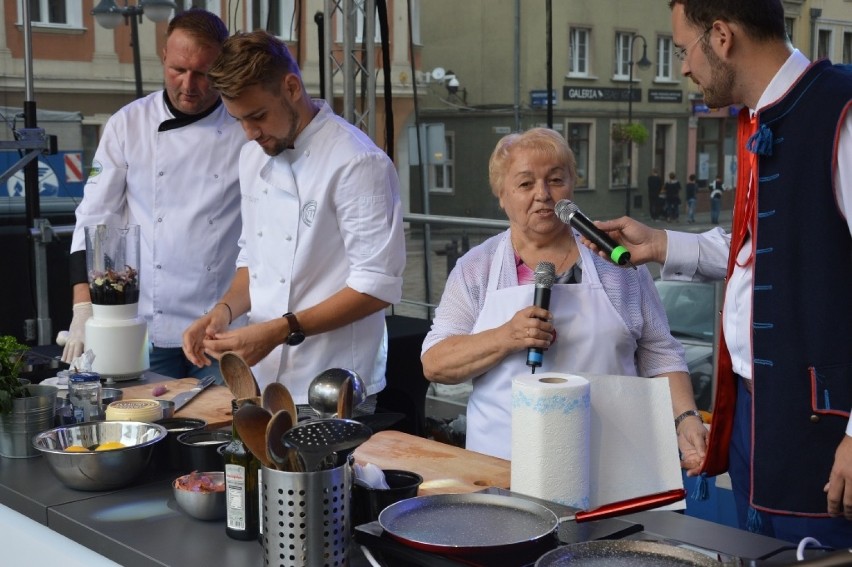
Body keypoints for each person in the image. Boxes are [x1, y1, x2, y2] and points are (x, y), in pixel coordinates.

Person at [585, 0, 852, 547]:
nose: (682, 66)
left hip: (824, 427)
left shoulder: (840, 110)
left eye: (684, 49)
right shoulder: (766, 116)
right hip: (765, 418)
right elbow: (766, 250)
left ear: (722, 37)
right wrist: (661, 244)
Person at [420, 128, 707, 469]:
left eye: (555, 179)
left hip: (613, 462)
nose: (542, 194)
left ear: (572, 185)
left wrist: (686, 417)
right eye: (525, 184)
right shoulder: (476, 268)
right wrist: (504, 337)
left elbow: (660, 352)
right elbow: (435, 363)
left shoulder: (616, 261)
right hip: (504, 465)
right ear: (501, 194)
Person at [181, 30, 405, 407]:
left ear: (291, 87)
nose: (251, 133)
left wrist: (279, 331)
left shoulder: (356, 162)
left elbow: (375, 288)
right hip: (262, 380)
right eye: (239, 120)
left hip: (335, 385)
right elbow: (253, 259)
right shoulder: (253, 156)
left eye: (258, 116)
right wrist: (223, 311)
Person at [64, 9, 245, 380]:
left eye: (203, 74)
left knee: (220, 429)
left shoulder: (244, 126)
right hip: (145, 322)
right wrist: (83, 307)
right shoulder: (127, 124)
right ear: (163, 55)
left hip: (221, 326)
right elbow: (96, 217)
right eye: (179, 70)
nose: (189, 85)